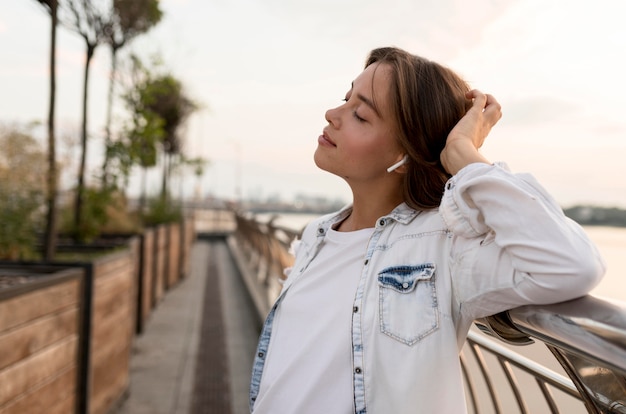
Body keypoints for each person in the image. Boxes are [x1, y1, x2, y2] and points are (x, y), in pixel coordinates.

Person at [249, 46, 606, 413]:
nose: (332, 114)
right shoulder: (316, 235)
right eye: (345, 98)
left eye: (360, 114)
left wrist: (463, 154)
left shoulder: (444, 245)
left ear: (405, 155)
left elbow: (570, 264)